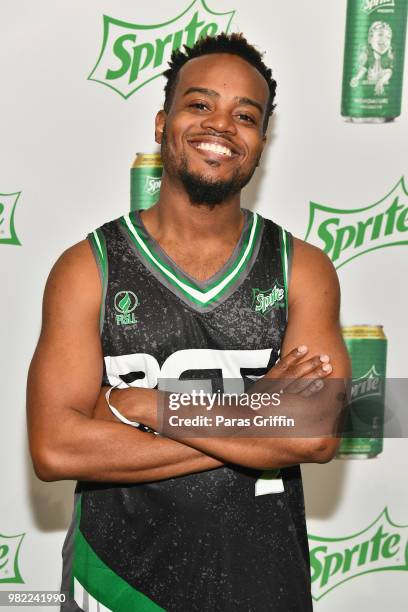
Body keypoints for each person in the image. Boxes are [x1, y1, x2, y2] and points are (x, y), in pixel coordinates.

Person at [27, 33, 350, 611]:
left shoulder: (301, 267)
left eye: (245, 115)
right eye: (200, 104)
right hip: (117, 587)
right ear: (161, 123)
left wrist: (148, 406)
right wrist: (256, 415)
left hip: (263, 587)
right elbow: (55, 448)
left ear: (261, 140)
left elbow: (314, 433)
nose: (221, 125)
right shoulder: (89, 267)